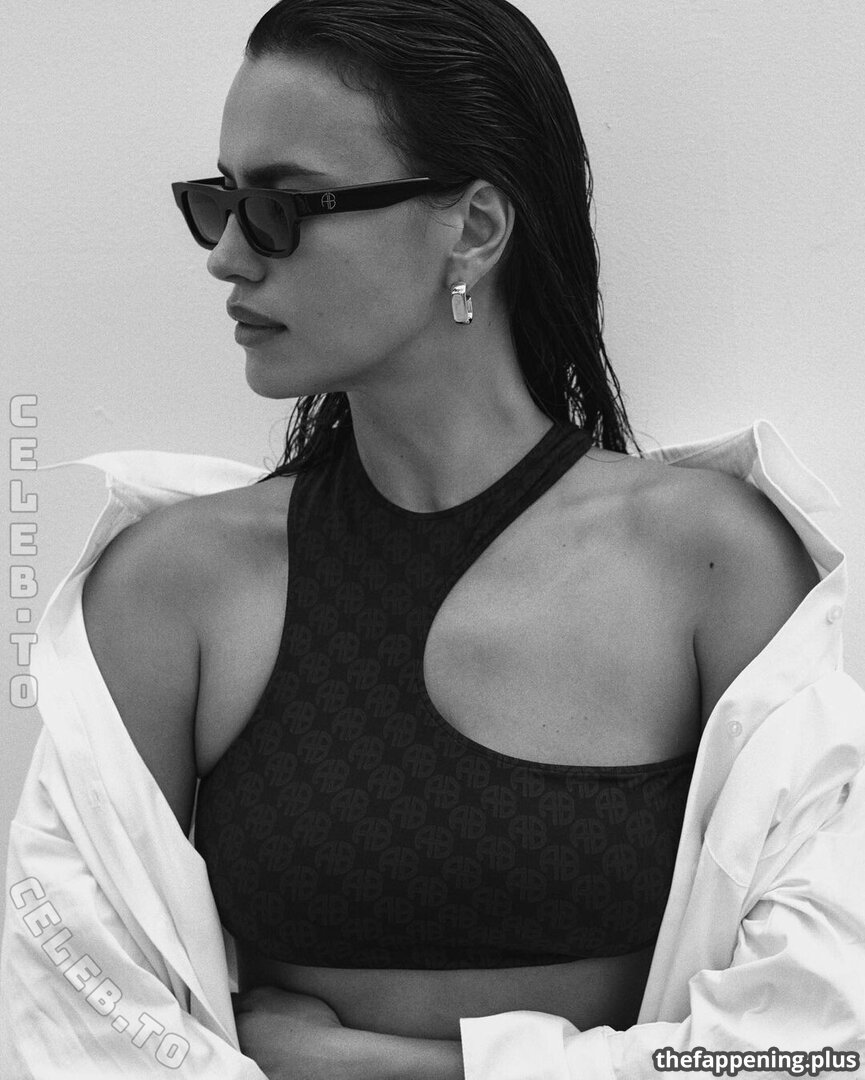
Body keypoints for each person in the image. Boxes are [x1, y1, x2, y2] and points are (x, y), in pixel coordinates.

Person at [2, 1, 864, 1077]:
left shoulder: (710, 567)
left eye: (280, 208)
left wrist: (372, 1066)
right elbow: (72, 1025)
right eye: (218, 202)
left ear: (473, 228)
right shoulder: (170, 591)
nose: (226, 256)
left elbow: (811, 1041)